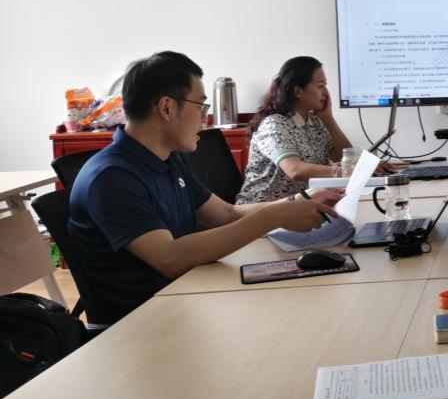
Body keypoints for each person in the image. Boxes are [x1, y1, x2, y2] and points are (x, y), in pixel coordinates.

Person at [69, 51, 341, 324]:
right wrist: (273, 218)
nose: (205, 118)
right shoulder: (111, 177)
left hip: (187, 298)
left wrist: (300, 200)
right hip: (140, 324)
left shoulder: (168, 160)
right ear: (166, 107)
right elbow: (169, 258)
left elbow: (227, 214)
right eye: (200, 106)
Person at [236, 56, 357, 204]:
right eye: (320, 86)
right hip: (262, 208)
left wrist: (328, 119)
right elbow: (295, 170)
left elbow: (346, 159)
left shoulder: (316, 122)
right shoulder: (274, 125)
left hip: (298, 206)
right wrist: (351, 171)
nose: (326, 93)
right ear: (298, 91)